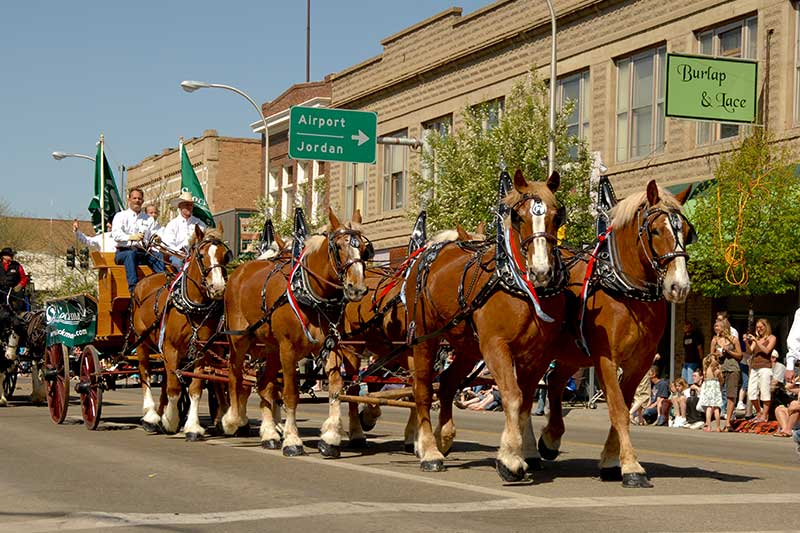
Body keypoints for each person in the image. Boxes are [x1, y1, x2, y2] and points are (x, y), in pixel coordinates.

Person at [111, 187, 164, 294]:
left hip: (142, 252)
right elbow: (116, 234)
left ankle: (163, 285)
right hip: (123, 252)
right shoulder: (121, 216)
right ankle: (133, 290)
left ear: (143, 201)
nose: (137, 201)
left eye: (139, 199)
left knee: (158, 255)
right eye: (134, 198)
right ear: (129, 200)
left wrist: (158, 237)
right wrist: (131, 237)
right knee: (130, 255)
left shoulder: (148, 219)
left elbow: (157, 232)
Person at [159, 191, 207, 270]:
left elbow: (205, 240)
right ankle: (182, 282)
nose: (189, 207)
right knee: (178, 262)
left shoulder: (200, 223)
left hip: (197, 254)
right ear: (180, 206)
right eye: (186, 205)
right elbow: (168, 244)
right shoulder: (173, 224)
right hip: (178, 255)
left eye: (190, 205)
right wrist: (179, 252)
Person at [709, 318, 742, 431]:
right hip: (720, 369)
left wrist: (729, 352)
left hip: (733, 368)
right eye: (715, 326)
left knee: (731, 395)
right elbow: (711, 356)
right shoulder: (714, 340)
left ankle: (728, 422)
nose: (716, 328)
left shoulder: (733, 339)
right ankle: (715, 421)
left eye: (718, 326)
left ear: (724, 327)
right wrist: (716, 355)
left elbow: (740, 356)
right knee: (716, 394)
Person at [745, 317, 777, 422]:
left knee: (765, 392)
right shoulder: (757, 339)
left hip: (765, 367)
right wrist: (746, 342)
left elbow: (767, 351)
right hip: (754, 367)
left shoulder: (771, 338)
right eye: (757, 327)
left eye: (761, 327)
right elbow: (750, 352)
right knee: (751, 392)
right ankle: (759, 412)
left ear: (766, 327)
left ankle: (764, 415)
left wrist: (755, 341)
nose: (759, 329)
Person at [0, 248, 28, 360]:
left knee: (18, 321)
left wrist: (19, 286)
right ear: (3, 256)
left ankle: (19, 345)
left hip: (14, 297)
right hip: (1, 296)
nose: (10, 257)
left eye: (11, 255)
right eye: (8, 255)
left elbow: (24, 278)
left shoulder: (17, 266)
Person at [698, 353, 723, 432]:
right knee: (716, 408)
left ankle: (708, 426)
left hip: (708, 388)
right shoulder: (718, 370)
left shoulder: (706, 369)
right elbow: (722, 380)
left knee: (709, 407)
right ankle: (718, 427)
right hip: (715, 387)